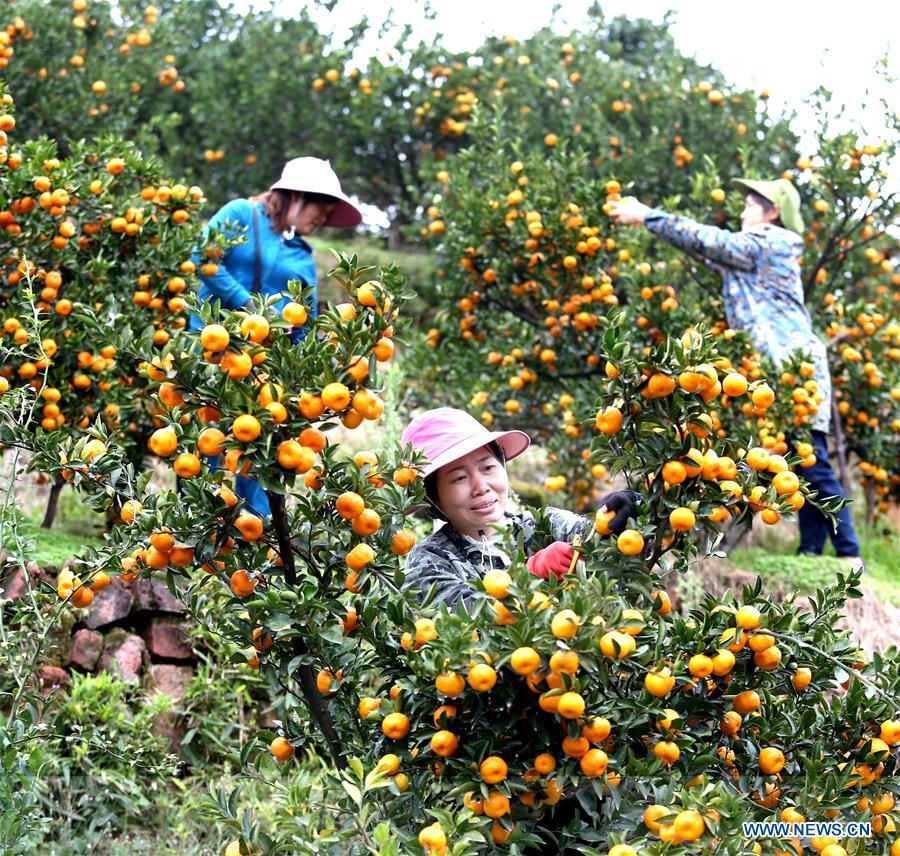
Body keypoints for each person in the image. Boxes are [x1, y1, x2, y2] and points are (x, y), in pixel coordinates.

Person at [608, 178, 862, 567]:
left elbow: (712, 241)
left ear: (772, 211)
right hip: (778, 369)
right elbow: (703, 246)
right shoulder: (754, 254)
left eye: (749, 205)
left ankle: (850, 555)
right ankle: (811, 552)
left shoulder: (770, 243)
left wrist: (648, 215)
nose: (741, 212)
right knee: (795, 461)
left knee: (812, 460)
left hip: (794, 369)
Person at [190, 157, 362, 516]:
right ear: (297, 196)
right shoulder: (241, 213)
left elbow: (305, 324)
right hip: (212, 354)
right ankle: (197, 534)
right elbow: (204, 259)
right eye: (321, 208)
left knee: (258, 456)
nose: (323, 219)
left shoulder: (302, 255)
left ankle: (257, 551)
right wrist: (250, 308)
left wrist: (306, 374)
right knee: (207, 449)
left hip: (264, 373)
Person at [400, 407, 636, 607]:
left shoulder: (544, 525)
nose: (481, 486)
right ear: (433, 497)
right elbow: (466, 625)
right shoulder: (428, 561)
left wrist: (624, 510)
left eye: (488, 468)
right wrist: (529, 575)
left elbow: (604, 541)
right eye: (459, 478)